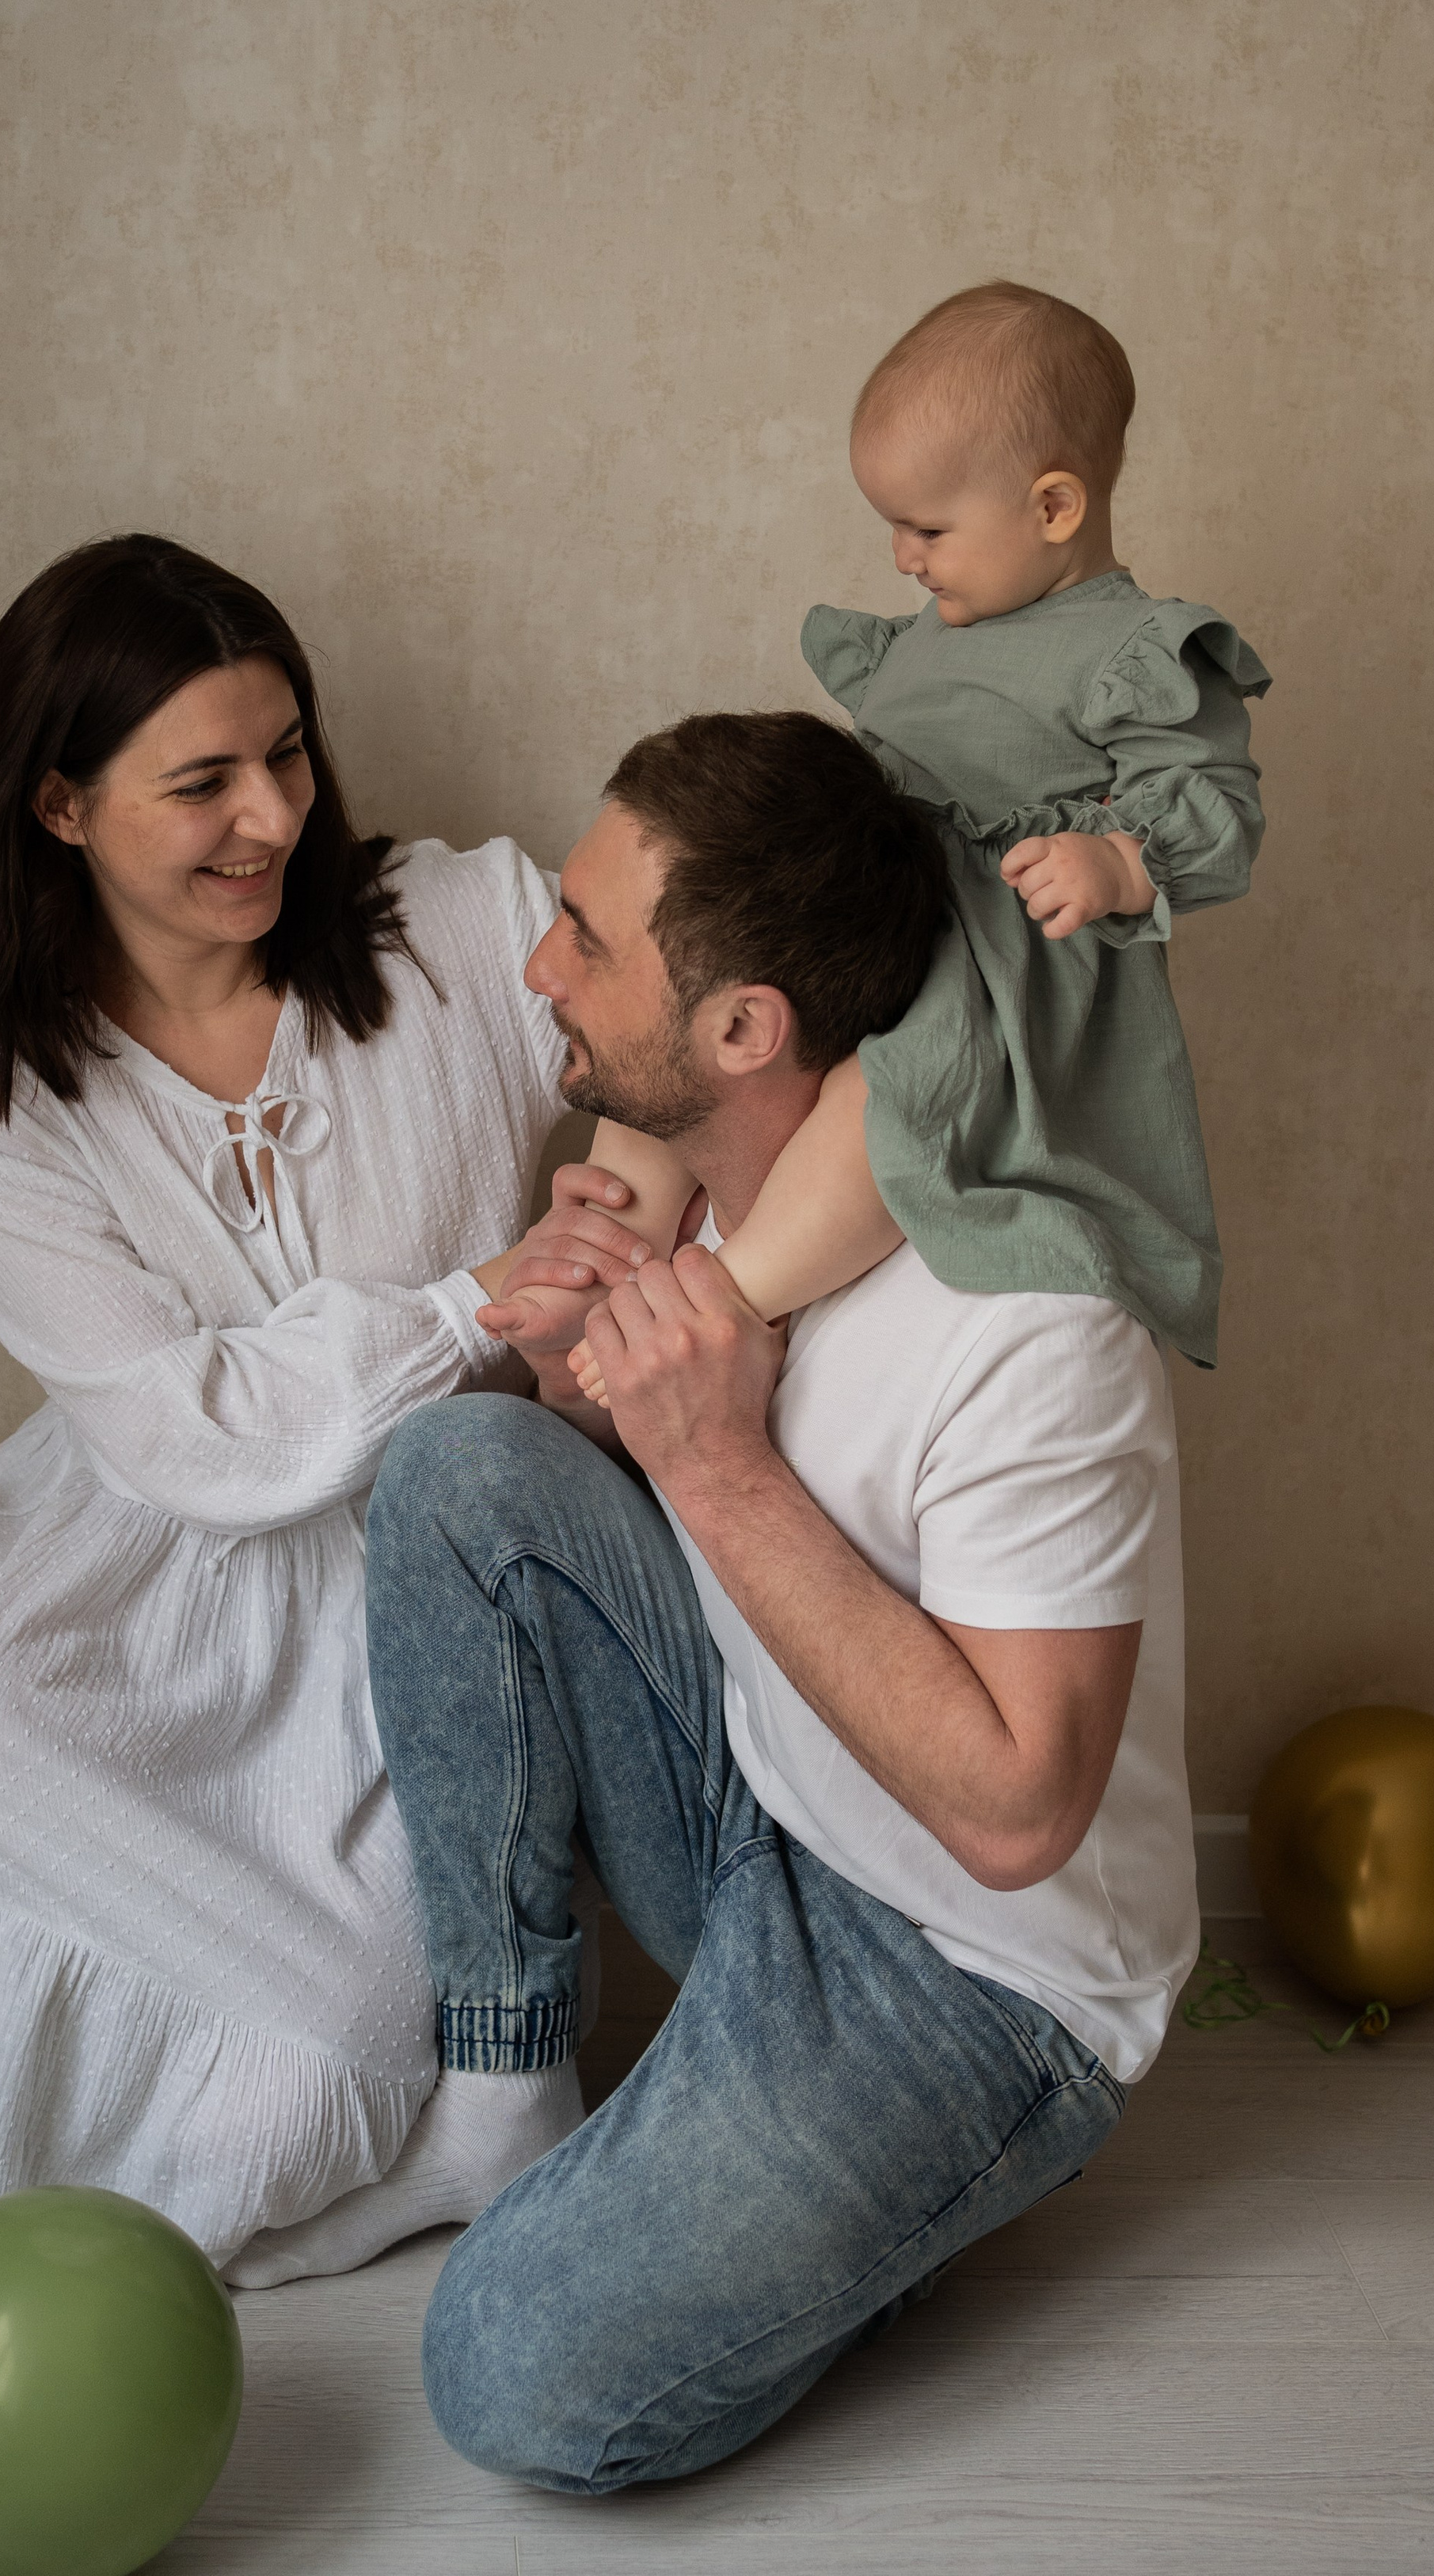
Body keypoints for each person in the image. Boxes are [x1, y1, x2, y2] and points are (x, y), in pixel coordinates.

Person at [0, 534, 650, 2339]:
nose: (270, 819)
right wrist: (475, 1299)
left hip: (417, 1569)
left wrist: (634, 1218)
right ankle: (20, 2142)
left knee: (378, 2016)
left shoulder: (452, 932)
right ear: (58, 804)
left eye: (285, 754)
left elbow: (678, 1021)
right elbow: (181, 1442)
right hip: (154, 1547)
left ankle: (390, 2135)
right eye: (201, 781)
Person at [362, 707, 1196, 2491]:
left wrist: (715, 1465)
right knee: (455, 1478)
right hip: (772, 1812)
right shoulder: (729, 1237)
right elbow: (543, 1520)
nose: (536, 968)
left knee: (501, 2381)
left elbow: (1018, 1810)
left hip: (972, 1981)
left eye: (584, 940)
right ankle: (509, 2095)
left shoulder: (1029, 1326)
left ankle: (863, 2232)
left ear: (743, 1030)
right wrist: (593, 1370)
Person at [503, 281, 1269, 1387]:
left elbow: (1217, 807)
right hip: (871, 903)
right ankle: (611, 1255)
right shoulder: (944, 627)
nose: (906, 558)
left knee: (888, 1097)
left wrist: (1114, 862)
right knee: (661, 1054)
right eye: (895, 528)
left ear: (1054, 507)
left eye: (929, 528)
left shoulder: (1131, 650)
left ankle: (731, 1294)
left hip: (991, 949)